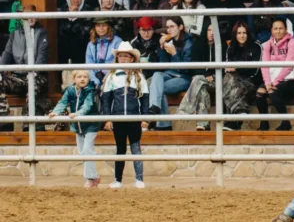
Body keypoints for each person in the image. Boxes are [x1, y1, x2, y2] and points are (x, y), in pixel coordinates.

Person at [101, 42, 148, 188]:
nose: (123, 59)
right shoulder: (112, 77)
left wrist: (145, 118)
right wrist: (108, 118)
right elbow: (106, 100)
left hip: (134, 118)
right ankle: (118, 180)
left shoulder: (139, 77)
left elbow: (145, 98)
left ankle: (139, 179)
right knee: (120, 148)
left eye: (126, 56)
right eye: (120, 56)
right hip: (118, 118)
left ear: (132, 59)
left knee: (136, 148)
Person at [49, 69, 102, 187]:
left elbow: (87, 106)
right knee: (83, 152)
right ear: (74, 79)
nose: (82, 79)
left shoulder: (90, 91)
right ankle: (95, 177)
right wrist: (55, 112)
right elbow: (63, 102)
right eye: (79, 77)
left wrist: (77, 113)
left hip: (91, 124)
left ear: (88, 79)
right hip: (78, 126)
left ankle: (89, 179)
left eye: (85, 77)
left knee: (88, 150)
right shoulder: (70, 90)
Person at [0, 7, 50, 128]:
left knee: (34, 82)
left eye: (32, 15)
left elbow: (42, 56)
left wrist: (34, 71)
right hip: (19, 77)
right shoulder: (14, 34)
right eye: (26, 16)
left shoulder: (42, 33)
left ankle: (29, 122)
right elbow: (7, 54)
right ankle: (4, 118)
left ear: (37, 17)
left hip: (37, 76)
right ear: (22, 18)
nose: (30, 18)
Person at [147, 16, 194, 130]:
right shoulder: (168, 40)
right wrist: (162, 48)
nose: (169, 30)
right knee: (157, 75)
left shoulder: (189, 43)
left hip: (184, 77)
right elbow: (163, 66)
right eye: (167, 27)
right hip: (169, 74)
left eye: (172, 26)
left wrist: (174, 53)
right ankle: (155, 108)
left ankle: (163, 123)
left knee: (157, 87)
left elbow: (187, 69)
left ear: (180, 27)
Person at [256, 19, 294, 131]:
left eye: (281, 28)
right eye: (275, 28)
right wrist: (267, 83)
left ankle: (286, 123)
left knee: (272, 91)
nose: (278, 31)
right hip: (272, 78)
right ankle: (264, 124)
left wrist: (274, 83)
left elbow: (288, 66)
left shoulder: (292, 42)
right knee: (259, 93)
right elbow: (264, 65)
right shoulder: (268, 44)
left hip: (290, 79)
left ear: (285, 30)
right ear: (271, 30)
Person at [178, 23, 220, 131]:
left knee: (197, 80)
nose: (211, 33)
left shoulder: (222, 46)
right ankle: (203, 123)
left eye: (214, 30)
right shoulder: (198, 44)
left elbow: (223, 68)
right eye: (209, 30)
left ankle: (185, 111)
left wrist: (212, 75)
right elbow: (194, 67)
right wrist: (206, 74)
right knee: (201, 88)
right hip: (203, 80)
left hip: (218, 80)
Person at [223, 21, 262, 130]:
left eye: (244, 32)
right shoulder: (231, 47)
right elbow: (227, 67)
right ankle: (239, 114)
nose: (242, 35)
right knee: (229, 79)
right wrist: (230, 69)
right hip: (234, 81)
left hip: (251, 82)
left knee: (230, 85)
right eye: (239, 33)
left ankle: (231, 122)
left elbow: (255, 71)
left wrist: (237, 69)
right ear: (235, 35)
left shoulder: (256, 46)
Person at [59, 0, 92, 64]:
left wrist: (75, 17)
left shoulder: (88, 10)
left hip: (82, 51)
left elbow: (84, 34)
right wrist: (70, 16)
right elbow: (62, 32)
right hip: (65, 52)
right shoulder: (63, 9)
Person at [84, 17, 122, 88]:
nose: (101, 28)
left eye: (104, 25)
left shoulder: (117, 41)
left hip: (112, 77)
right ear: (94, 28)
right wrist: (95, 81)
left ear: (108, 27)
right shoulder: (90, 44)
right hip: (94, 79)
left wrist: (106, 79)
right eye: (98, 25)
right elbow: (89, 64)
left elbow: (118, 62)